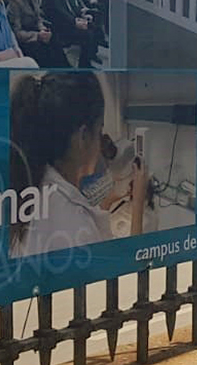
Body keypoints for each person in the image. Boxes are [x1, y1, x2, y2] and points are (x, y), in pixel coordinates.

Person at [8, 72, 147, 257]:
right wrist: (138, 203)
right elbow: (127, 269)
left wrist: (110, 199)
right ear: (82, 137)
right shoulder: (74, 224)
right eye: (99, 130)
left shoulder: (36, 186)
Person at [7, 0, 70, 68]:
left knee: (54, 39)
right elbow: (17, 33)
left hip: (37, 33)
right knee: (43, 50)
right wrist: (37, 36)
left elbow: (38, 18)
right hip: (26, 40)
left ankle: (66, 69)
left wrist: (42, 29)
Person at [41, 0, 98, 68]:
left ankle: (86, 62)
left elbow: (67, 8)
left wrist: (78, 19)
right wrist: (75, 22)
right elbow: (59, 12)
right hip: (59, 28)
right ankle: (84, 66)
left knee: (91, 26)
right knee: (87, 34)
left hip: (67, 22)